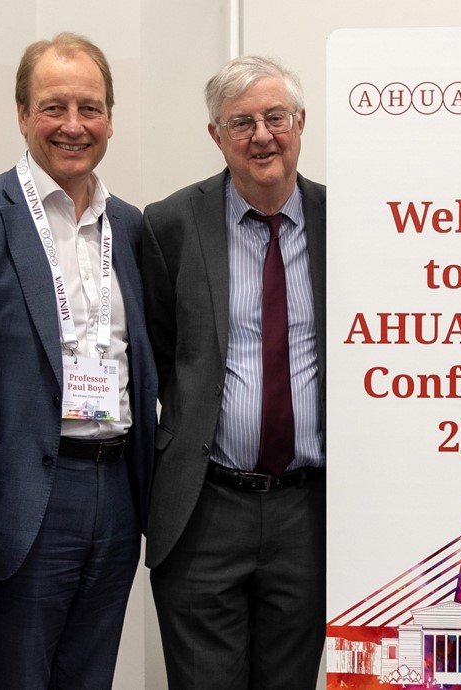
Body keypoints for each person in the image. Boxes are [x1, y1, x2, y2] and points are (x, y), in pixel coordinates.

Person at [0, 32, 154, 690]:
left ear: (111, 120)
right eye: (53, 107)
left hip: (117, 488)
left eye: (90, 108)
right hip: (22, 496)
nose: (74, 125)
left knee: (89, 674)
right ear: (21, 115)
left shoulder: (130, 225)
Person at [141, 55, 326, 689]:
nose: (262, 136)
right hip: (205, 506)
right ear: (217, 136)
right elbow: (161, 356)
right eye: (241, 122)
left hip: (310, 510)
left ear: (301, 123)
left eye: (276, 117)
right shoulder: (169, 225)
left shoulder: (346, 224)